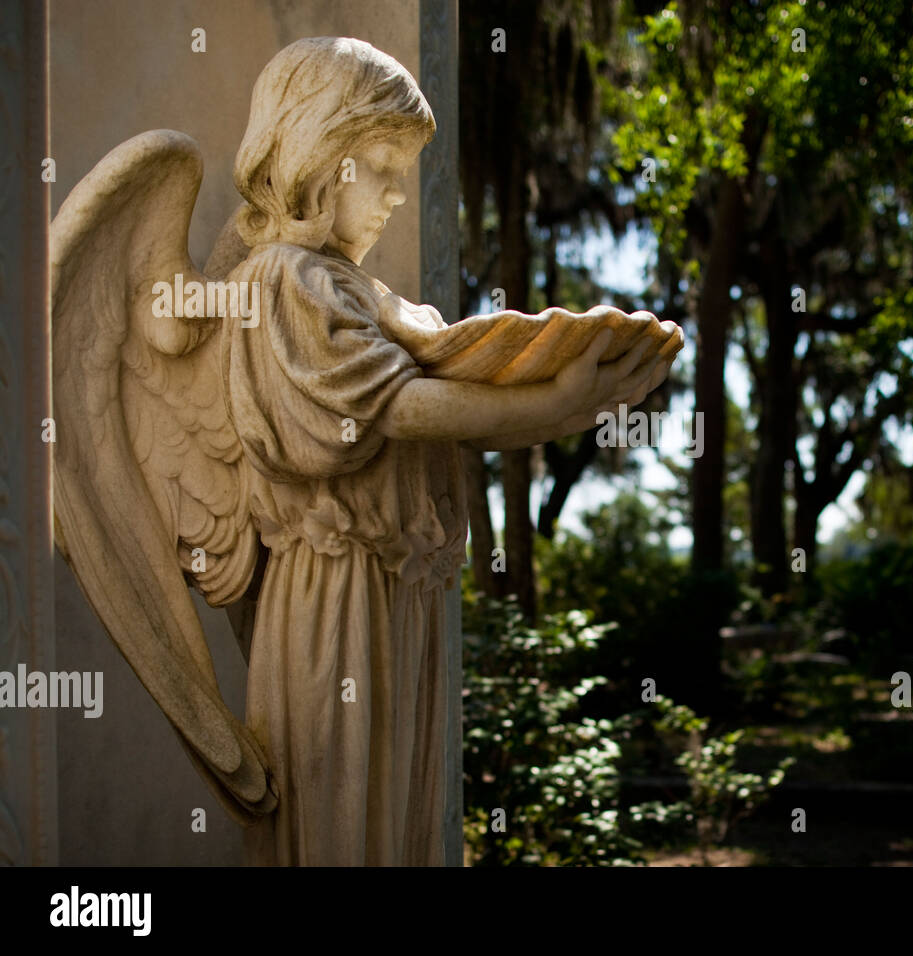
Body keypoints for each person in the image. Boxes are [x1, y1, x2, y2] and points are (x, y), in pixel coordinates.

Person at [221, 36, 669, 864]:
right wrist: (554, 397)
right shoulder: (281, 278)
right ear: (321, 157)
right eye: (383, 161)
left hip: (399, 587)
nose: (398, 190)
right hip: (335, 594)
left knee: (400, 819)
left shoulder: (369, 295)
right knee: (344, 822)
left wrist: (563, 409)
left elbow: (452, 416)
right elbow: (390, 406)